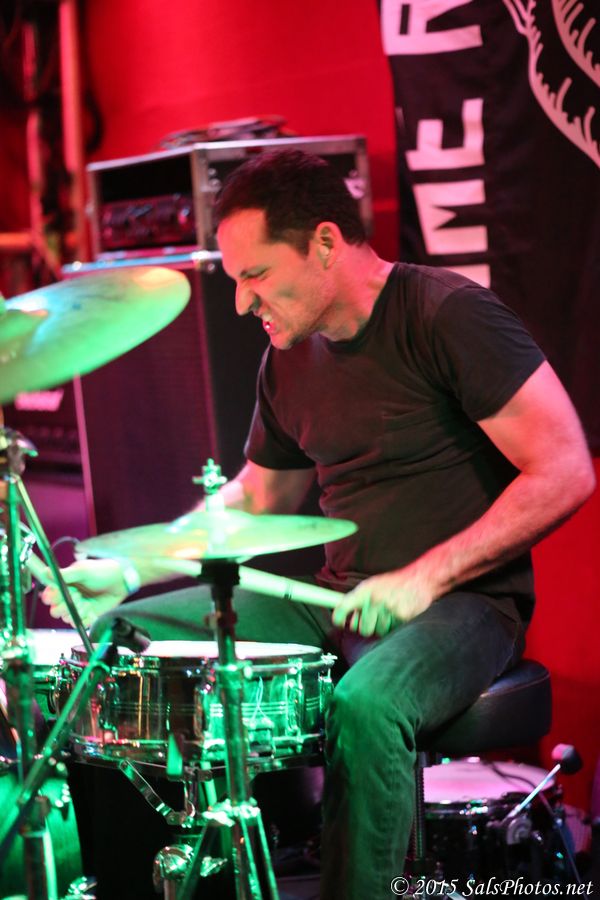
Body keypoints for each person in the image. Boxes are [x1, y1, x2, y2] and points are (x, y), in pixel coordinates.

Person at [42, 149, 595, 899]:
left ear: (325, 243)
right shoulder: (290, 357)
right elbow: (256, 498)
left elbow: (565, 469)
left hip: (466, 605)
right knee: (120, 646)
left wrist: (424, 576)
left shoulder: (447, 314)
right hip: (336, 598)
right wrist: (133, 568)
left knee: (365, 705)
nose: (242, 302)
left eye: (256, 275)